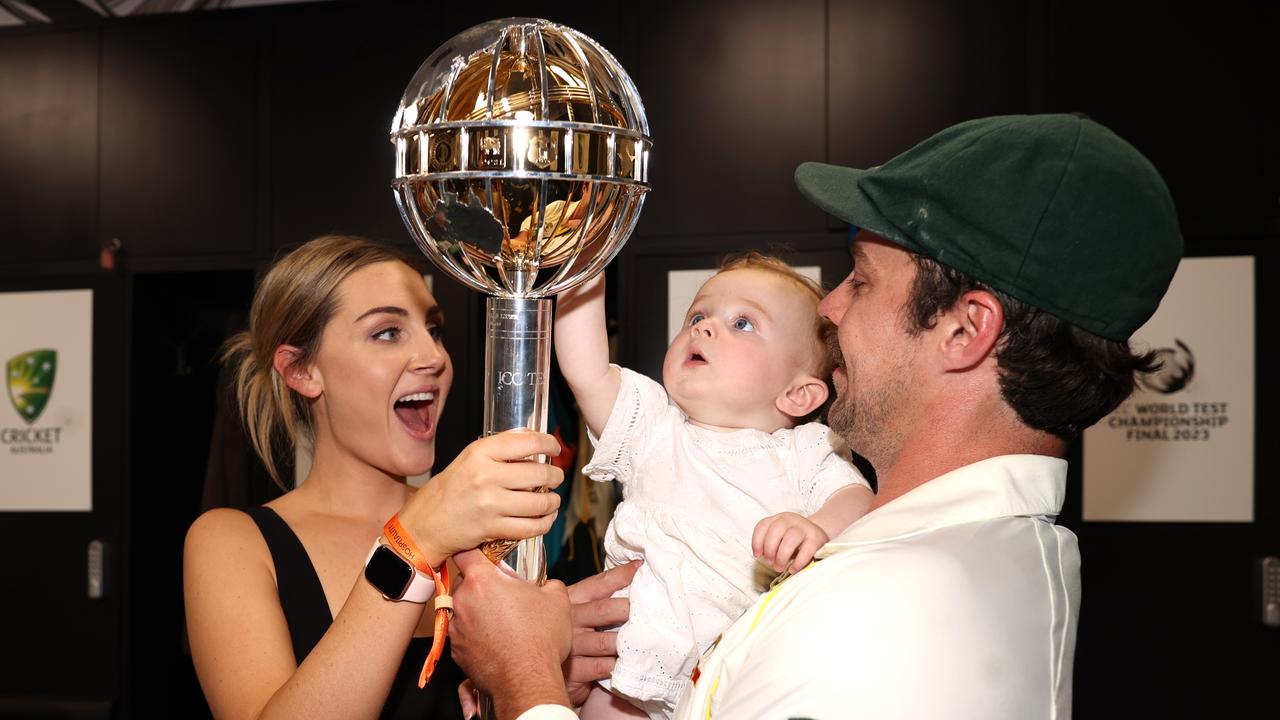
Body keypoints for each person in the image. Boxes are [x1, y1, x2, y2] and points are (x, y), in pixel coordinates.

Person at [446, 113, 1184, 719]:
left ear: (967, 330)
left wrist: (524, 681)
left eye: (861, 282)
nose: (830, 308)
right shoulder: (949, 561)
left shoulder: (889, 620)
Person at [182, 235, 635, 720]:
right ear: (302, 371)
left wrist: (544, 673)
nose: (434, 357)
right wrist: (411, 544)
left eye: (433, 329)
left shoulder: (481, 532)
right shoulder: (233, 542)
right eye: (387, 333)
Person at [554, 253, 874, 719]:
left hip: (741, 683)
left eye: (743, 323)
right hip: (629, 675)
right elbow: (586, 371)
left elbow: (859, 500)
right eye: (697, 316)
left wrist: (818, 527)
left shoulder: (805, 450)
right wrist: (583, 267)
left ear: (798, 394)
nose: (702, 328)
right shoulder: (655, 430)